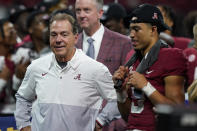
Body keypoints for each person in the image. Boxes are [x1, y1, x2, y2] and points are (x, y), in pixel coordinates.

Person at [14, 13, 117, 131]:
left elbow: (117, 99)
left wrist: (101, 120)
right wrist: (23, 125)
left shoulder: (95, 69)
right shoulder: (36, 67)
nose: (58, 40)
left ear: (76, 37)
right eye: (54, 35)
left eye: (64, 34)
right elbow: (23, 97)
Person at [113, 4, 187, 131]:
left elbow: (176, 112)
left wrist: (146, 86)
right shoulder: (131, 57)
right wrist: (120, 91)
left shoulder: (171, 56)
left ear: (153, 30)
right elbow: (129, 117)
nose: (131, 34)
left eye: (136, 29)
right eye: (130, 29)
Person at [75, 0, 132, 130]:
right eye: (78, 11)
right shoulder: (70, 45)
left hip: (112, 124)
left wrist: (101, 120)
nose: (82, 15)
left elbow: (127, 89)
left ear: (100, 13)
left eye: (87, 10)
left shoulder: (123, 43)